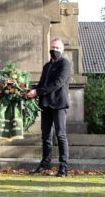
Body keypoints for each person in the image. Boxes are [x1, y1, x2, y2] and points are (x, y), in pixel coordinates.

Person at [26, 38, 70, 177]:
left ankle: (63, 167)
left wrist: (37, 92)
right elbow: (41, 84)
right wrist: (29, 90)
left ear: (62, 50)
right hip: (45, 105)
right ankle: (45, 164)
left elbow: (57, 83)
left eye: (57, 48)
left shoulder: (65, 64)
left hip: (59, 105)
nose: (54, 50)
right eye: (52, 47)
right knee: (46, 136)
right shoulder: (46, 66)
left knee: (60, 135)